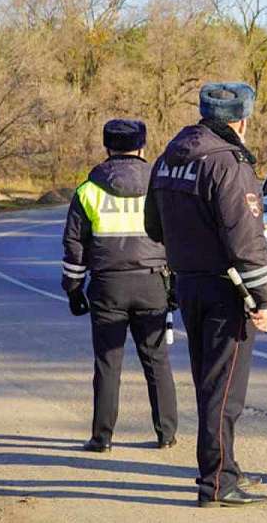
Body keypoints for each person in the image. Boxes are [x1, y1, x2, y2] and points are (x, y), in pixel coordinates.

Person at [145, 83, 267, 508]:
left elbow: (153, 226)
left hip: (188, 284)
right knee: (225, 391)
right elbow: (246, 239)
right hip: (227, 289)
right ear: (240, 119)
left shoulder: (169, 158)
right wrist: (264, 297)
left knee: (209, 384)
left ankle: (224, 467)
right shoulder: (228, 162)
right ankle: (217, 481)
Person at [61, 119, 178, 454]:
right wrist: (177, 286)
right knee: (157, 360)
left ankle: (102, 437)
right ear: (142, 148)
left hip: (107, 285)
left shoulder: (88, 190)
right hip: (153, 281)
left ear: (106, 147)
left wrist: (73, 288)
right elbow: (177, 237)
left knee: (108, 363)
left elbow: (74, 246)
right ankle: (166, 434)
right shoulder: (159, 187)